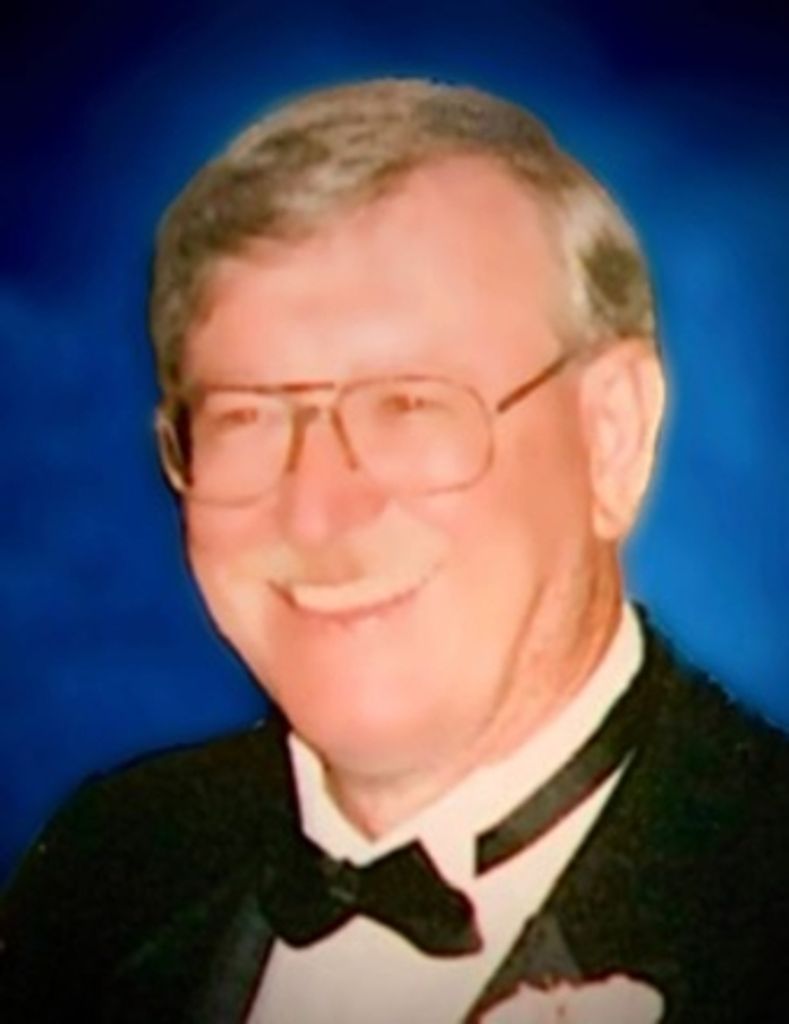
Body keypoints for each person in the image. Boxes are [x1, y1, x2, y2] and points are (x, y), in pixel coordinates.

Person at [1, 77, 788, 1024]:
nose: (317, 514)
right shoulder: (102, 869)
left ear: (610, 435)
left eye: (409, 405)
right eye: (247, 417)